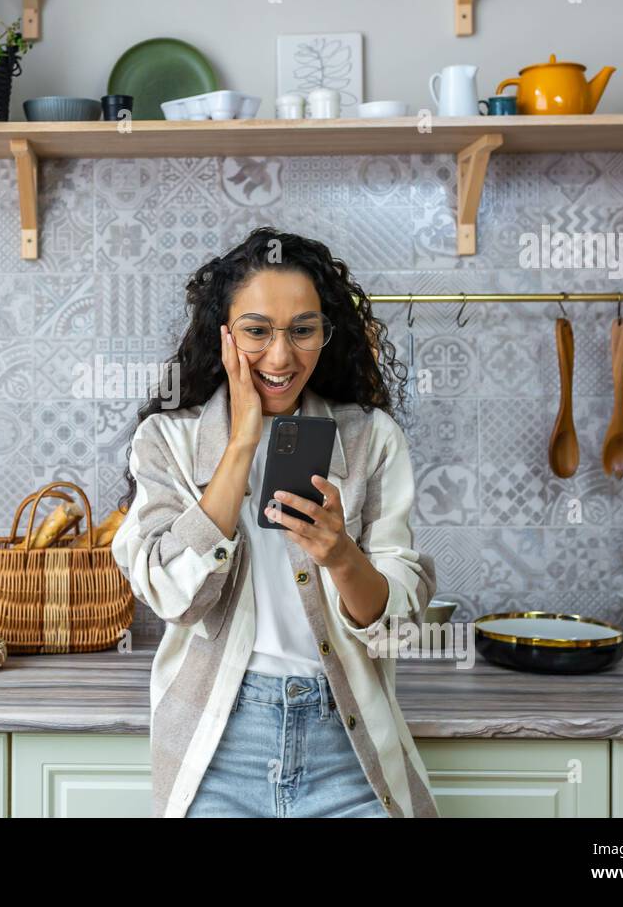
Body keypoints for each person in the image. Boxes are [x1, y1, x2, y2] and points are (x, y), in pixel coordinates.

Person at [111, 226, 438, 818]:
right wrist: (242, 442)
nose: (282, 356)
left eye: (302, 330)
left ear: (326, 334)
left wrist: (342, 557)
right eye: (257, 331)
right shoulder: (168, 439)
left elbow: (398, 626)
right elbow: (171, 595)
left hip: (348, 743)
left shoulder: (370, 439)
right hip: (217, 749)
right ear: (226, 337)